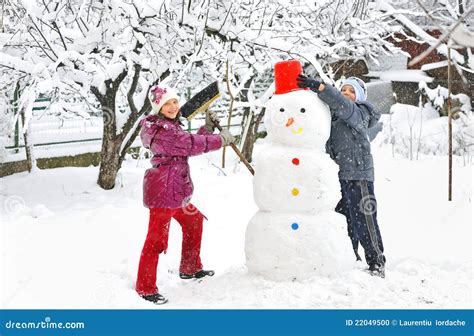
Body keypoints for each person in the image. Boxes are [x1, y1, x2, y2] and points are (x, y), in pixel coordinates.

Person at [136, 85, 235, 304]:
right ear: (158, 108)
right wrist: (220, 140)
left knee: (193, 220)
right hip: (164, 194)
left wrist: (206, 131)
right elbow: (188, 145)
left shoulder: (168, 126)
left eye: (174, 102)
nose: (172, 107)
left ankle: (189, 267)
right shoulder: (162, 131)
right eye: (166, 104)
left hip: (174, 192)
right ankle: (145, 287)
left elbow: (186, 142)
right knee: (156, 240)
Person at [297, 74, 386, 278]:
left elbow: (344, 106)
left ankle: (376, 261)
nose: (346, 93)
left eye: (351, 91)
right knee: (343, 220)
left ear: (360, 96)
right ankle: (350, 258)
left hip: (359, 175)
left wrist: (321, 87)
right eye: (343, 89)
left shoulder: (361, 113)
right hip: (338, 176)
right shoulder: (334, 115)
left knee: (364, 219)